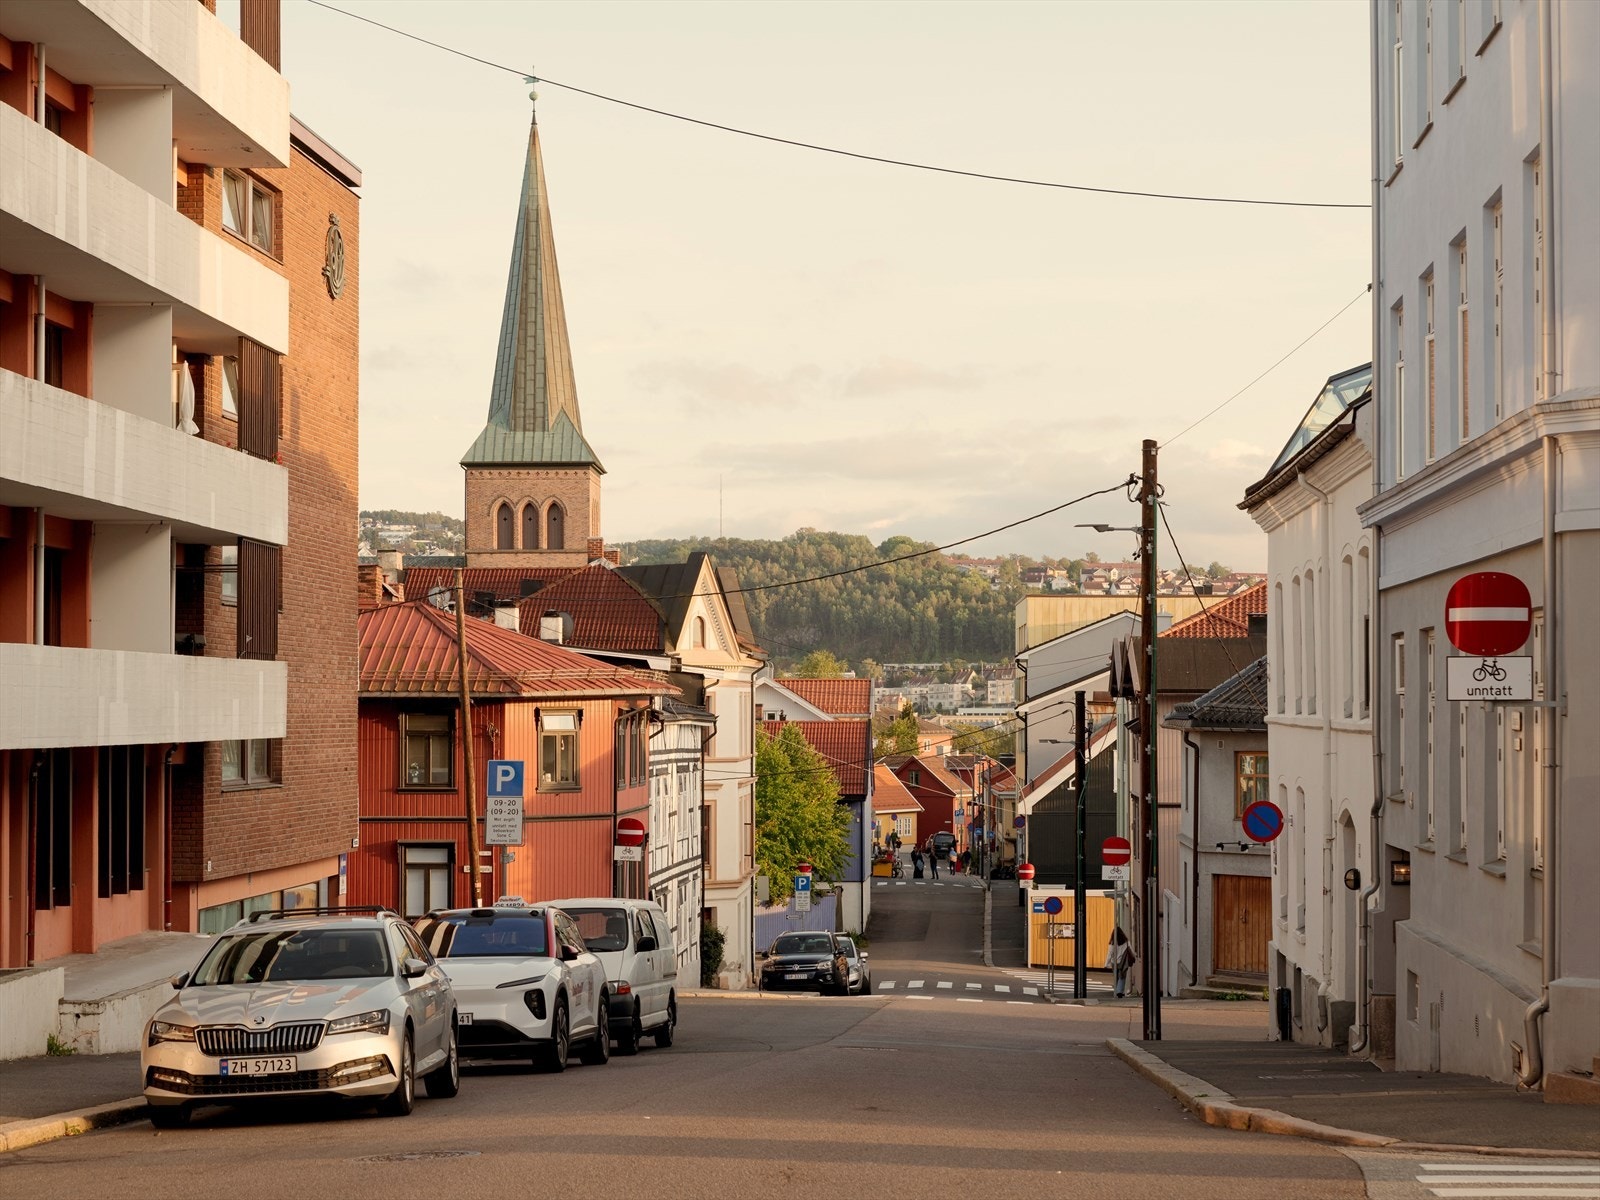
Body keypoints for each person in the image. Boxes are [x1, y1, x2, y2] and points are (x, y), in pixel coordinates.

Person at [1106, 926, 1133, 998]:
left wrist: (1106, 963)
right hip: (1123, 962)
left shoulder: (1112, 943)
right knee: (1122, 976)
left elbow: (1109, 954)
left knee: (1116, 977)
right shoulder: (1126, 942)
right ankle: (1119, 991)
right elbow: (1131, 951)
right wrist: (1134, 956)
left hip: (1114, 962)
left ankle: (1117, 991)